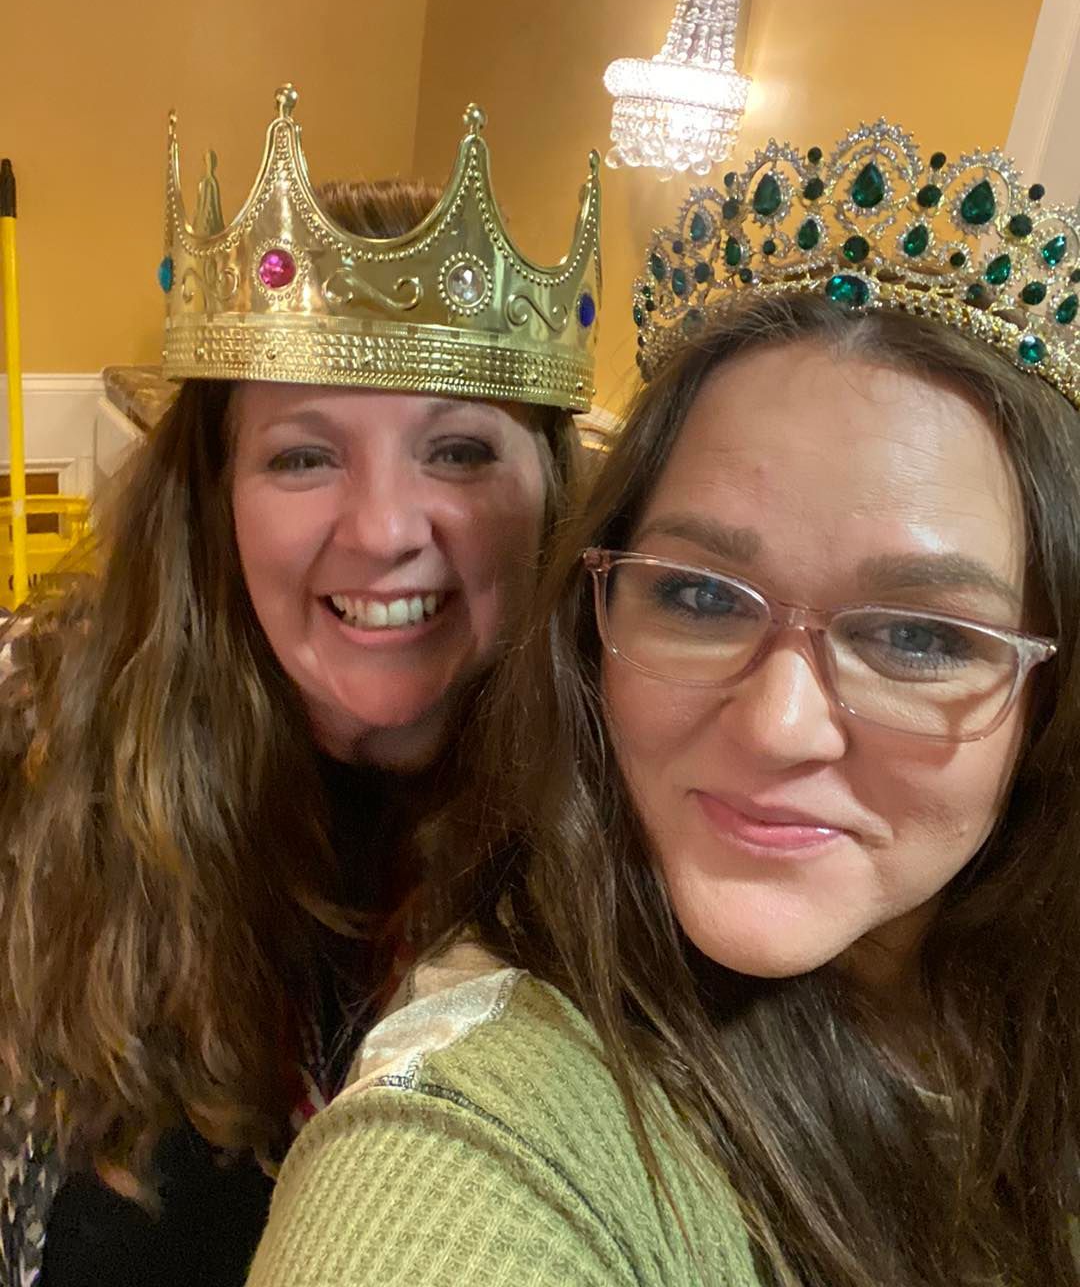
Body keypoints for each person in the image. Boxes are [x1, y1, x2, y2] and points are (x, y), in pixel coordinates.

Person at [248, 122, 1080, 1287]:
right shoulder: (487, 1133)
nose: (779, 726)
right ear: (593, 610)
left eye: (918, 636)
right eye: (700, 594)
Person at [0, 85, 600, 1286]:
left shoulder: (637, 855)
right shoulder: (46, 779)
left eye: (461, 449)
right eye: (304, 455)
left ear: (556, 498)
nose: (383, 530)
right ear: (214, 502)